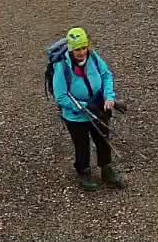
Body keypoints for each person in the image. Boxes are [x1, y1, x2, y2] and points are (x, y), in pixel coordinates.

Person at [50, 27, 123, 190]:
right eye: (77, 49)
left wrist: (109, 96)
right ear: (71, 49)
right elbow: (61, 96)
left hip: (98, 108)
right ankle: (83, 171)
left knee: (103, 140)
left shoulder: (94, 57)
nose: (81, 52)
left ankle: (106, 168)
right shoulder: (62, 67)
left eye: (84, 47)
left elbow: (106, 75)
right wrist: (83, 107)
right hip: (76, 116)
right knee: (81, 145)